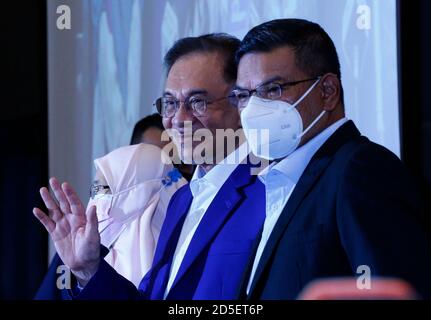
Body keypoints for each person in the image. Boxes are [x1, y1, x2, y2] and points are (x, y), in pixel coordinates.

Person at [34, 33, 265, 300]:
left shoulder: (268, 188)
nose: (178, 119)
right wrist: (89, 271)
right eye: (170, 104)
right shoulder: (183, 200)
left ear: (241, 103)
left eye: (197, 102)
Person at [230, 18, 431, 299]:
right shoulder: (282, 182)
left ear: (327, 91)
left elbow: (388, 291)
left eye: (272, 90)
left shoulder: (362, 170)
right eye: (243, 95)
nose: (253, 109)